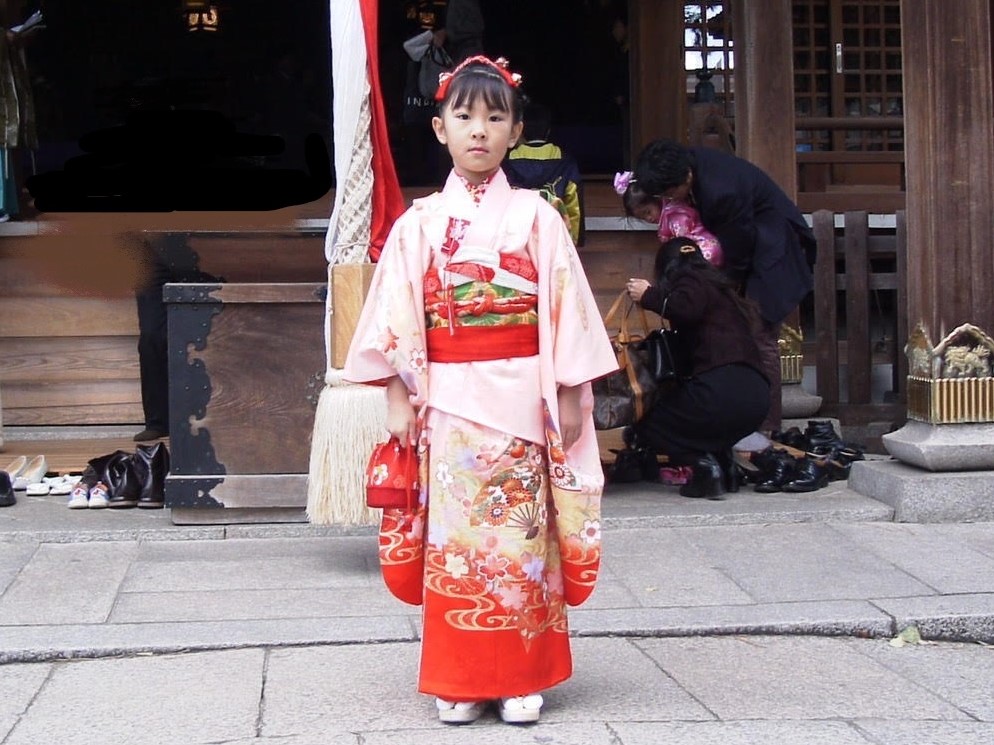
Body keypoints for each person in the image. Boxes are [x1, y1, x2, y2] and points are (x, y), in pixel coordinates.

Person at [343, 55, 617, 726]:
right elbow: (399, 314)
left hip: (523, 395)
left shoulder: (536, 216)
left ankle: (522, 674)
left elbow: (565, 306)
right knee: (458, 543)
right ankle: (460, 677)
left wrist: (574, 388)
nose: (478, 130)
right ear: (439, 128)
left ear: (515, 131)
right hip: (450, 401)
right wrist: (397, 393)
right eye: (463, 116)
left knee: (519, 543)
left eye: (495, 118)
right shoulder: (421, 223)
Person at [627, 139, 816, 437]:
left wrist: (721, 289)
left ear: (685, 178)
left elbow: (738, 249)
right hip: (741, 255)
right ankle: (739, 423)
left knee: (758, 334)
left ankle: (766, 429)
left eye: (669, 194)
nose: (668, 201)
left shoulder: (721, 191)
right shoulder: (690, 165)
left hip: (773, 254)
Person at [625, 237, 771, 500]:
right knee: (705, 421)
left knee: (650, 423)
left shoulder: (690, 280)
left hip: (722, 389)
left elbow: (684, 308)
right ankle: (727, 470)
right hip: (757, 396)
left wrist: (649, 295)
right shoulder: (720, 289)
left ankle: (702, 468)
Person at [504, 101, 585, 245]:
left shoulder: (507, 163)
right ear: (548, 130)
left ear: (520, 130)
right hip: (555, 238)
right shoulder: (566, 163)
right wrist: (575, 242)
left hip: (517, 239)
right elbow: (574, 206)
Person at [615, 170, 722, 266]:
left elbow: (684, 243)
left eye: (648, 212)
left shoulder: (675, 218)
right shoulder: (667, 219)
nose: (649, 218)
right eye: (642, 218)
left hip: (705, 249)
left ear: (657, 199)